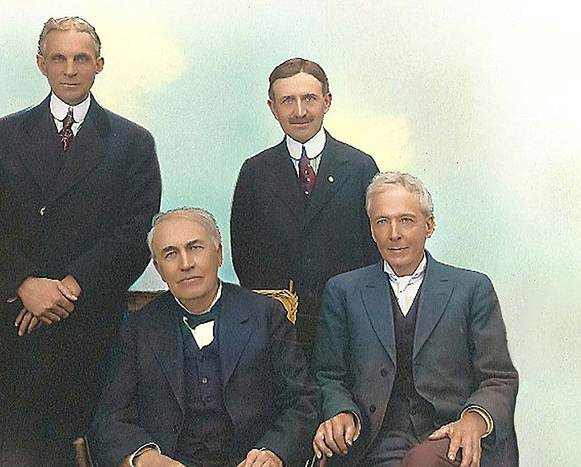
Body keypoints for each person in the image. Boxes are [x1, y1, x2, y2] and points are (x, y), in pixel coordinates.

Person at [0, 16, 162, 466]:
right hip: (0, 340)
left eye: (81, 58)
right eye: (59, 58)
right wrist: (25, 283)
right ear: (41, 64)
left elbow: (133, 236)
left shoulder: (133, 143)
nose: (70, 69)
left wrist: (66, 288)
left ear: (99, 65)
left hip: (83, 340)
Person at [311, 172, 518, 467]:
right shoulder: (343, 291)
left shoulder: (472, 288)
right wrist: (342, 412)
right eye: (382, 221)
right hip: (374, 443)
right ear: (371, 230)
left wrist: (474, 419)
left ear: (429, 226)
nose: (394, 233)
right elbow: (328, 375)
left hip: (451, 440)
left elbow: (499, 377)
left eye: (406, 220)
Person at [91, 207, 318, 467]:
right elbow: (110, 418)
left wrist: (273, 452)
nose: (186, 264)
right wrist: (144, 457)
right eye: (171, 254)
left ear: (219, 254)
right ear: (159, 268)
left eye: (195, 247)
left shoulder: (266, 316)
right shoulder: (137, 329)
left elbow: (303, 400)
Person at [231, 57, 380, 355]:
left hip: (347, 331)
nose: (299, 111)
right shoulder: (255, 172)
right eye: (288, 101)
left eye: (309, 99)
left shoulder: (361, 168)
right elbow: (244, 256)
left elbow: (374, 250)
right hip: (279, 336)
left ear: (327, 102)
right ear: (273, 108)